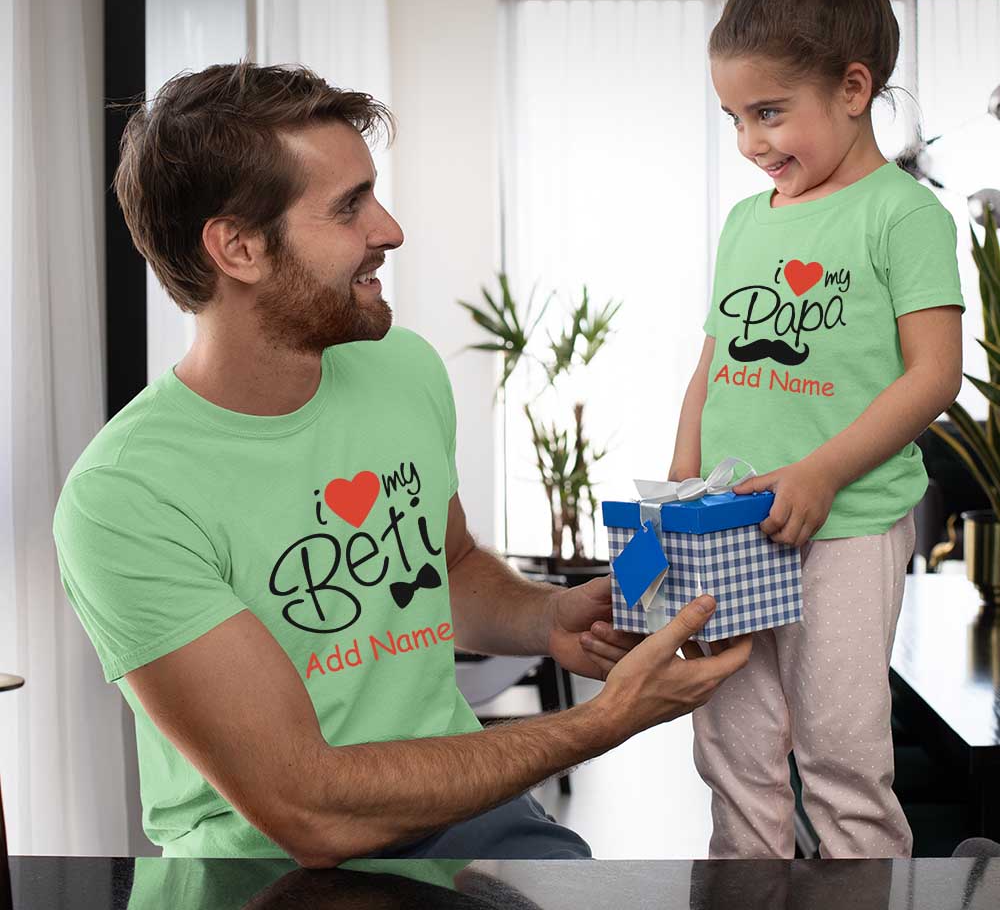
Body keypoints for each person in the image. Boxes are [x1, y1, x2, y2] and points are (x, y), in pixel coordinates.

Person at [53, 62, 750, 865]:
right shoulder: (126, 496)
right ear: (238, 248)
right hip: (269, 863)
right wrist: (602, 720)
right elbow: (308, 810)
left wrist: (546, 617)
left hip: (464, 810)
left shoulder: (401, 369)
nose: (389, 230)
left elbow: (444, 566)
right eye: (349, 206)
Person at [668, 0, 965, 859]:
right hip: (728, 523)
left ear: (853, 88)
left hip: (845, 525)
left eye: (768, 112)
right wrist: (680, 485)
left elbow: (936, 375)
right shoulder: (746, 223)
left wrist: (823, 471)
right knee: (733, 749)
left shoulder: (902, 216)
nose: (749, 142)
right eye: (733, 119)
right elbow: (713, 364)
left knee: (840, 754)